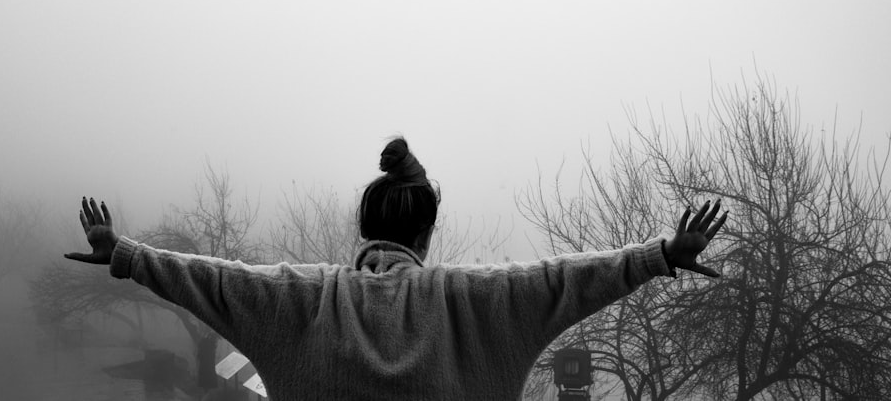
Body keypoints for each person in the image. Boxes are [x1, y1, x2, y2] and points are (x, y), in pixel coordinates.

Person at [66, 138, 727, 401]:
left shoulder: (301, 302)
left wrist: (127, 254)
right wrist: (661, 255)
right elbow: (565, 278)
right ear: (426, 232)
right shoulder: (473, 303)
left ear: (365, 227)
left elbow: (213, 278)